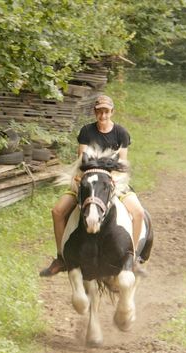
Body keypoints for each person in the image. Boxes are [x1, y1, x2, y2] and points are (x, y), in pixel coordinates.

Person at [40, 94, 146, 277]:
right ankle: (61, 257)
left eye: (106, 111)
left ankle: (133, 257)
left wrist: (111, 180)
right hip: (88, 180)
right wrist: (81, 178)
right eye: (99, 111)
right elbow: (83, 159)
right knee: (57, 211)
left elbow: (122, 163)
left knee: (138, 212)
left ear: (112, 112)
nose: (102, 115)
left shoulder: (121, 133)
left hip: (114, 181)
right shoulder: (86, 131)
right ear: (94, 112)